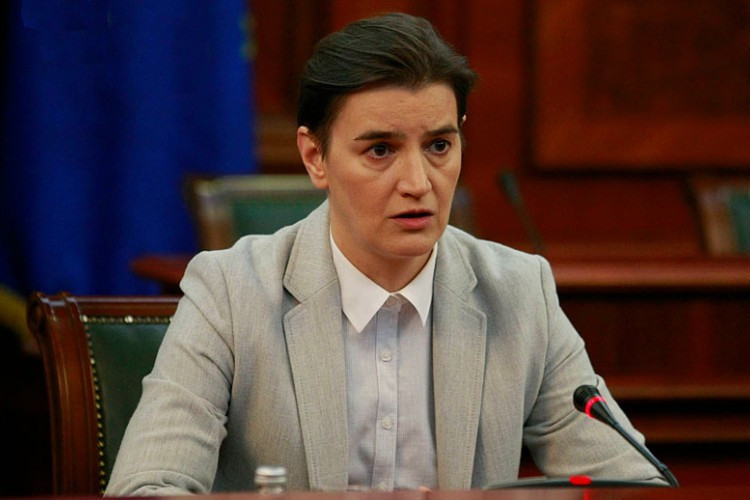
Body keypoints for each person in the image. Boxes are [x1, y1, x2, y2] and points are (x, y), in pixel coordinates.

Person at [106, 12, 664, 495]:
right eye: (380, 150)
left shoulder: (519, 293)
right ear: (315, 157)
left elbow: (633, 488)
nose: (418, 182)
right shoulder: (230, 292)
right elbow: (147, 487)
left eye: (439, 146)